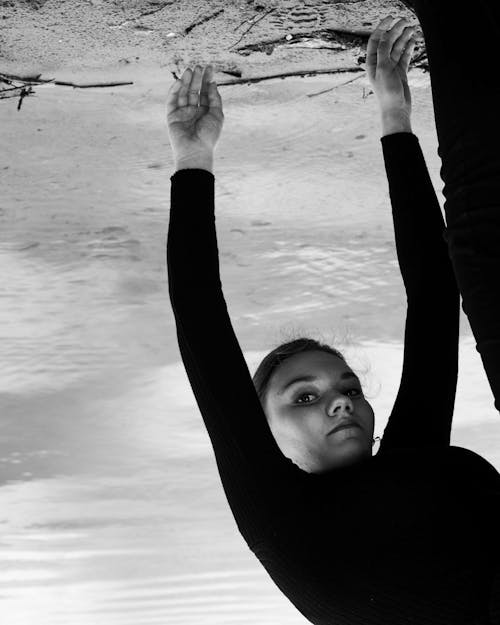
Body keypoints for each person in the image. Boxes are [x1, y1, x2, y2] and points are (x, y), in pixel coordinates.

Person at [167, 6, 500, 624]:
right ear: (264, 436)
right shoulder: (287, 523)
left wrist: (193, 158)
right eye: (307, 396)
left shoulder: (381, 474)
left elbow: (203, 334)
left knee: (481, 242)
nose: (342, 400)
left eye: (339, 388)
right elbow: (434, 300)